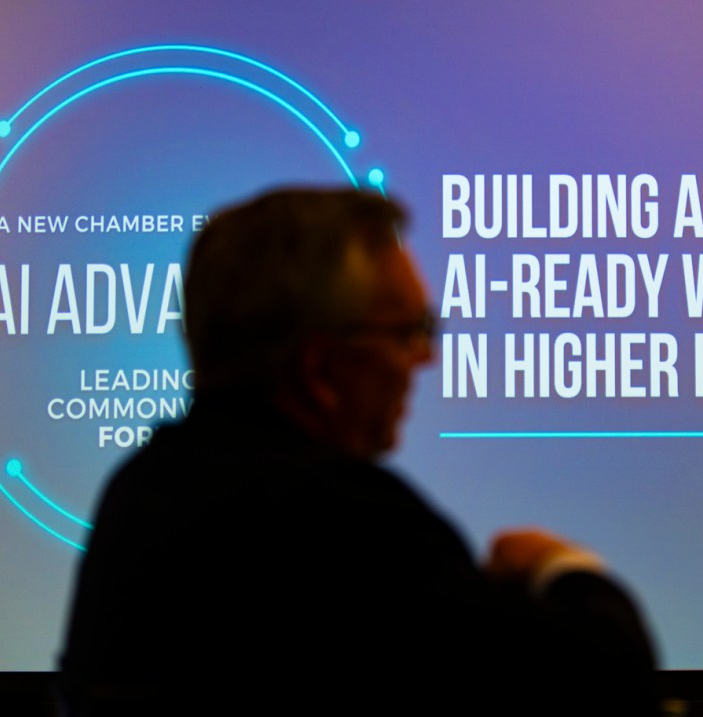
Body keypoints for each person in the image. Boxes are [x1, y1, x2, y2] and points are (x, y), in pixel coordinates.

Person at [59, 187, 657, 713]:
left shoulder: (141, 490)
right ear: (320, 370)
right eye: (407, 334)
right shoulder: (336, 520)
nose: (426, 359)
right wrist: (559, 570)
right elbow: (609, 682)